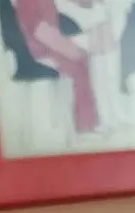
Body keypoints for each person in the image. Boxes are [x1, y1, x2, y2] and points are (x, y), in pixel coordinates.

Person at [14, 0, 102, 132]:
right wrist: (70, 49)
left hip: (49, 44)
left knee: (82, 58)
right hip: (39, 50)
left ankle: (88, 123)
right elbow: (40, 31)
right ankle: (85, 125)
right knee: (78, 63)